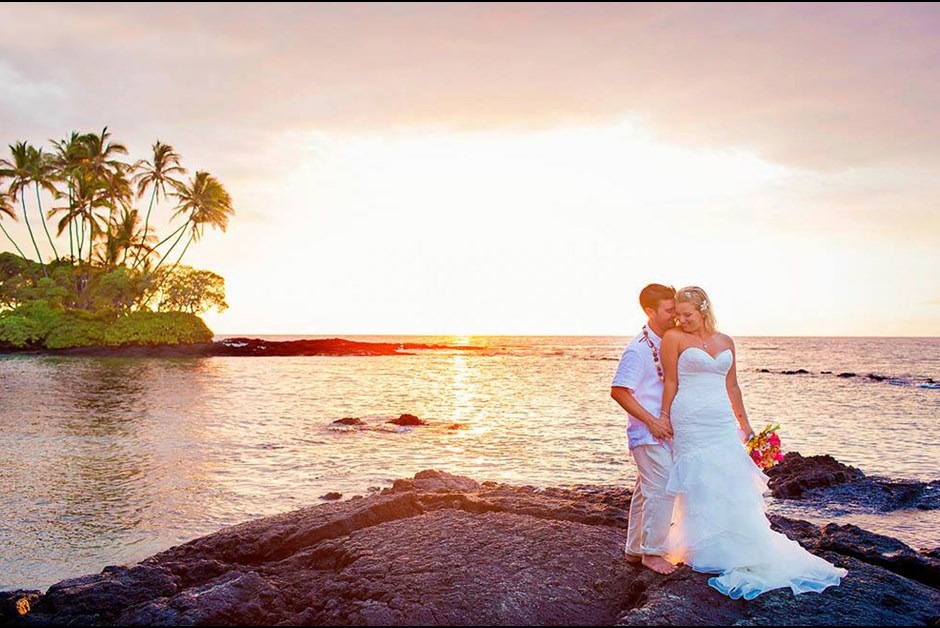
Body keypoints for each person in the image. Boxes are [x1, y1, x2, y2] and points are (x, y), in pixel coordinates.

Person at [659, 286, 848, 599]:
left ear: (703, 311)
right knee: (700, 480)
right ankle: (707, 548)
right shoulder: (673, 339)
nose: (681, 320)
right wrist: (664, 416)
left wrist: (745, 424)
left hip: (720, 419)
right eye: (677, 315)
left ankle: (738, 543)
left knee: (729, 476)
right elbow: (670, 381)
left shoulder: (725, 341)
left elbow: (732, 385)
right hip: (689, 418)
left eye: (687, 314)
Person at [610, 283, 679, 575]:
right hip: (646, 433)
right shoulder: (637, 350)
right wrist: (652, 421)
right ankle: (653, 553)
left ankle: (634, 549)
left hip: (662, 433)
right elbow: (619, 391)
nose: (674, 315)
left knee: (645, 491)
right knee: (662, 488)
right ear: (650, 312)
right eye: (669, 310)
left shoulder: (667, 340)